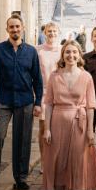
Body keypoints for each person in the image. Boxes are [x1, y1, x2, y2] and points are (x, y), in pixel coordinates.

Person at [43, 40, 96, 190]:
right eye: (67, 52)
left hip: (79, 124)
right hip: (57, 123)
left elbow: (89, 106)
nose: (70, 56)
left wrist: (90, 131)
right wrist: (47, 128)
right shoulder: (55, 76)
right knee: (58, 166)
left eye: (74, 52)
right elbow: (48, 104)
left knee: (76, 166)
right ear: (62, 55)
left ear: (79, 55)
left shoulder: (86, 76)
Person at [0, 14, 43, 190]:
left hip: (25, 100)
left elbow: (37, 79)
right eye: (11, 27)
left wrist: (38, 102)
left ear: (23, 28)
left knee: (23, 140)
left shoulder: (31, 51)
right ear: (7, 29)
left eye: (17, 26)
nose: (15, 30)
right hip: (3, 100)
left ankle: (21, 178)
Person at [37, 22, 61, 166]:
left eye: (54, 31)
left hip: (59, 92)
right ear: (45, 33)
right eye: (49, 31)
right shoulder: (38, 50)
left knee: (57, 126)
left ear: (58, 33)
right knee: (42, 127)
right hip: (43, 92)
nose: (51, 33)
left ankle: (56, 158)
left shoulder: (62, 50)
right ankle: (44, 160)